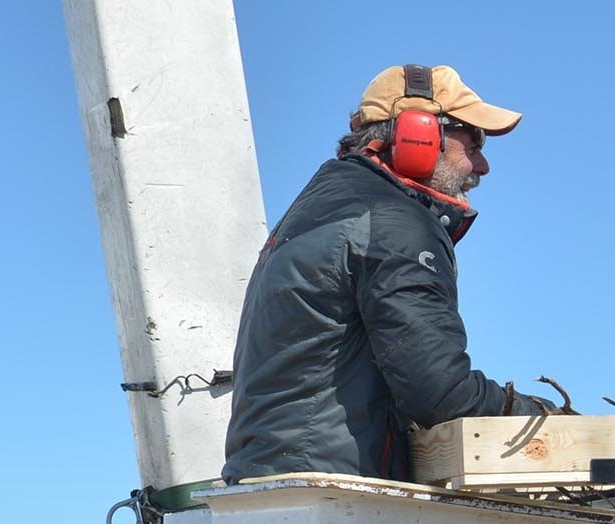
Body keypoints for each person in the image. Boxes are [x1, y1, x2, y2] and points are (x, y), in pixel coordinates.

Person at [223, 64, 558, 484]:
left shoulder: (322, 208)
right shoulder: (394, 223)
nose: (483, 165)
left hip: (275, 481)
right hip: (337, 493)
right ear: (419, 136)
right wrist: (541, 417)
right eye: (472, 144)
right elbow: (442, 394)